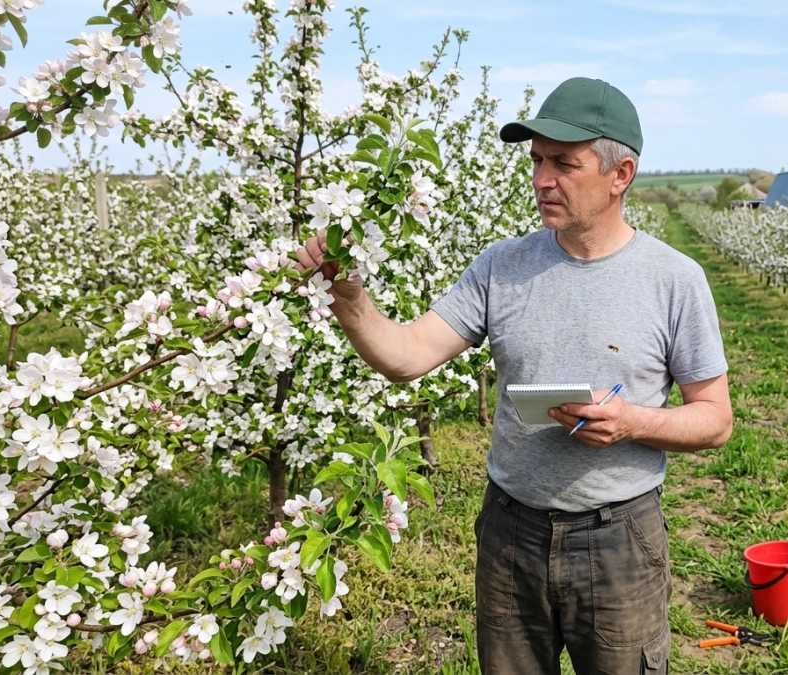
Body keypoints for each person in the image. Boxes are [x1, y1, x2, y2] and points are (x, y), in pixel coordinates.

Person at [295, 77, 732, 675]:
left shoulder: (673, 280)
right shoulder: (502, 266)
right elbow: (407, 355)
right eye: (535, 160)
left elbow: (715, 419)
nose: (541, 179)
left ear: (620, 174)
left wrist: (631, 422)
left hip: (618, 540)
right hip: (511, 533)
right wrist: (349, 298)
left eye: (563, 163)